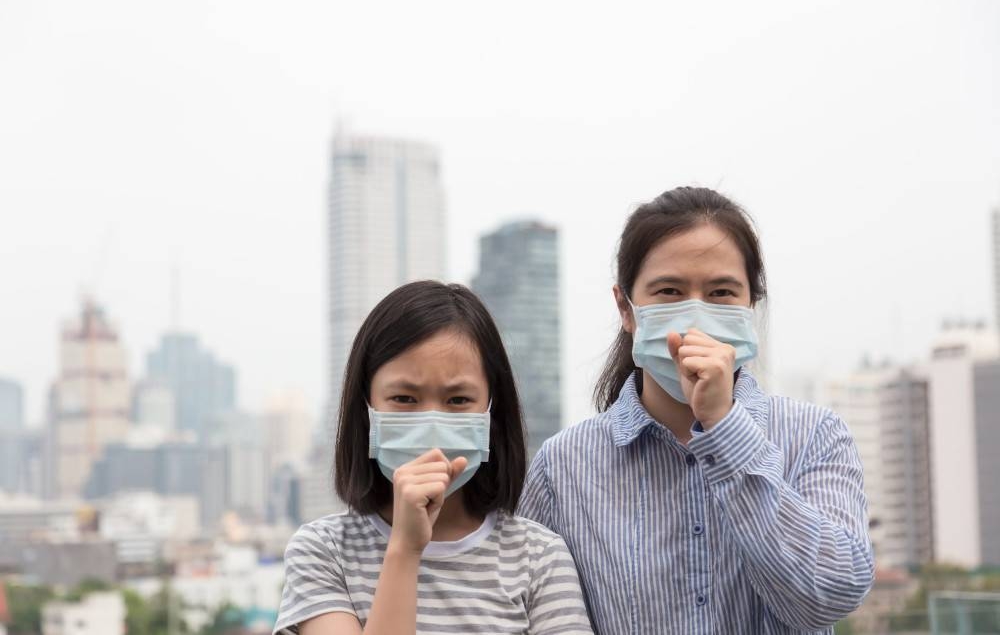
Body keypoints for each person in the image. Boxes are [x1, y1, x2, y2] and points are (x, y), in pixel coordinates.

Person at [518, 187, 874, 634]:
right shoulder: (563, 465)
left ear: (751, 306)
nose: (695, 316)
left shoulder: (814, 435)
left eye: (721, 292)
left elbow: (832, 595)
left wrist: (725, 427)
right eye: (669, 291)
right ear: (625, 308)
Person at [273, 280, 594, 635]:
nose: (431, 423)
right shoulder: (324, 551)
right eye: (404, 398)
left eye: (458, 400)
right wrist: (405, 549)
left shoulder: (539, 558)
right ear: (366, 407)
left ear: (491, 410)